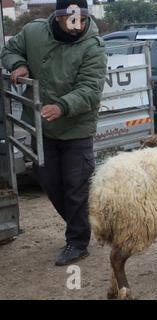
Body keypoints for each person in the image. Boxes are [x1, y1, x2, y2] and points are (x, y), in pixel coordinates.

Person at [1, 0, 107, 266]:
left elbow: (91, 89)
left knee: (76, 187)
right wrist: (18, 64)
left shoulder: (93, 46)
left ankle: (78, 242)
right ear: (57, 17)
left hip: (76, 129)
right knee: (49, 182)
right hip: (42, 126)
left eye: (82, 20)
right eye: (72, 20)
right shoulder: (33, 32)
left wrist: (63, 105)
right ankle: (81, 226)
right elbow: (10, 50)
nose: (78, 26)